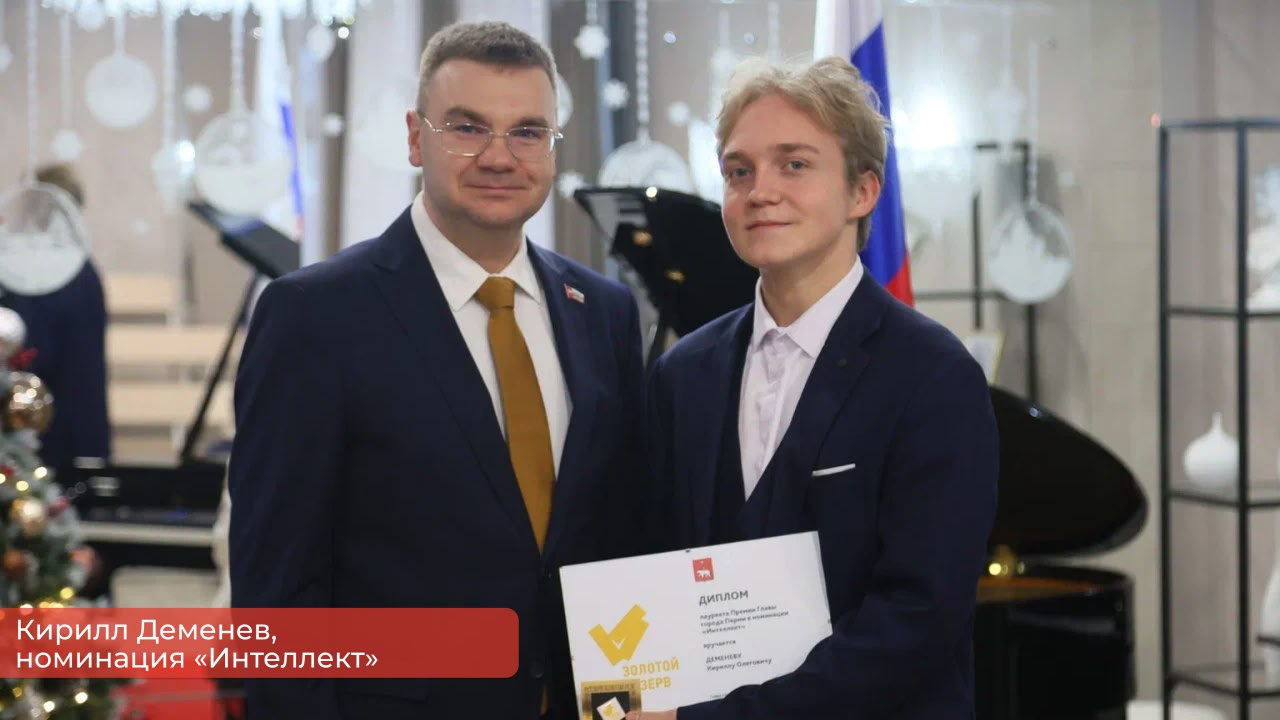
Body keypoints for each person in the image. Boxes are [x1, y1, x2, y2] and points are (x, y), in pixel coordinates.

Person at [228, 21, 645, 720]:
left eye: (527, 132)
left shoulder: (603, 311)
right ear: (416, 138)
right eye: (467, 128)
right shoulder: (315, 315)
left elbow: (624, 536)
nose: (499, 156)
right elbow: (277, 592)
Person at [635, 57, 999, 720]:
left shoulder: (934, 375)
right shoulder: (681, 374)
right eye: (738, 171)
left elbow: (915, 622)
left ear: (863, 192)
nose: (760, 191)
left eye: (794, 164)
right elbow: (653, 572)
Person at [0, 163, 111, 469]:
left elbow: (31, 353)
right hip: (76, 428)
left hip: (36, 424)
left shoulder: (27, 273)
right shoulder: (83, 272)